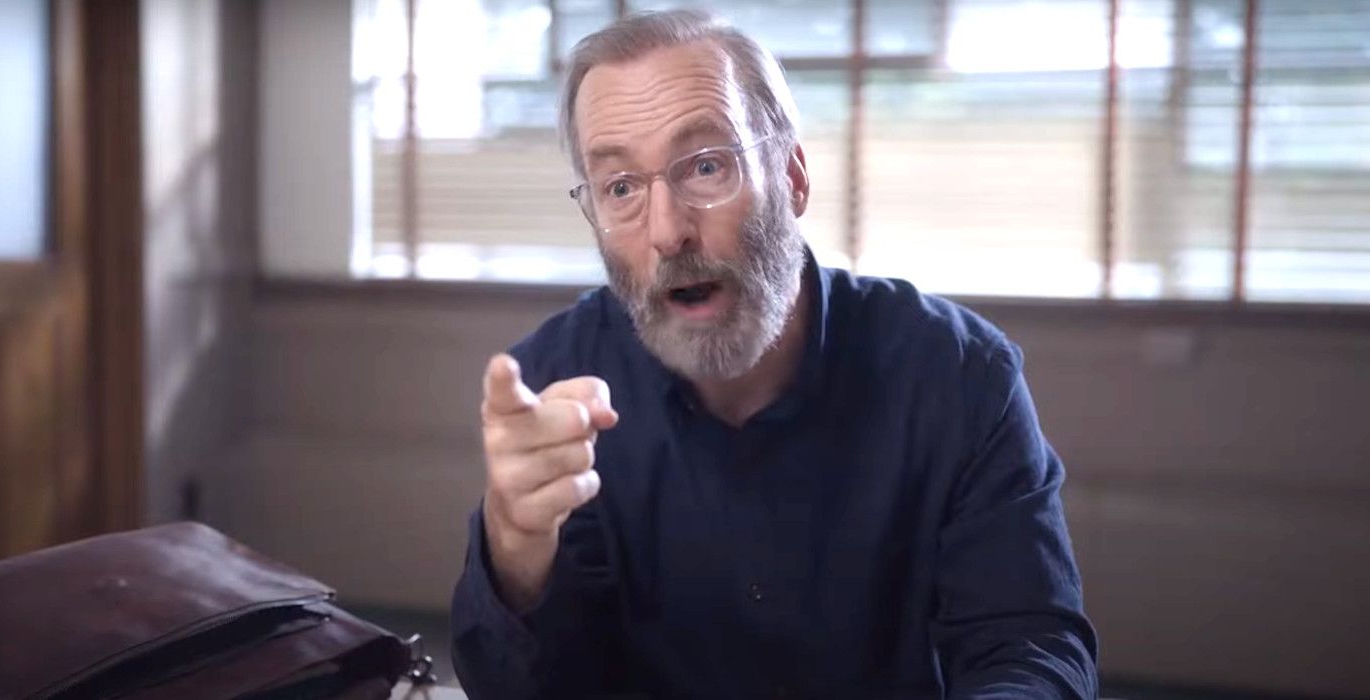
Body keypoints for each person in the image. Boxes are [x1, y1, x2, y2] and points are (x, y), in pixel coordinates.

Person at [451, 9, 1098, 699]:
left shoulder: (958, 375)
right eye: (621, 187)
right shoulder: (558, 387)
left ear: (792, 177)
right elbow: (520, 687)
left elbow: (1031, 649)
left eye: (705, 166)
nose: (668, 231)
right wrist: (516, 543)